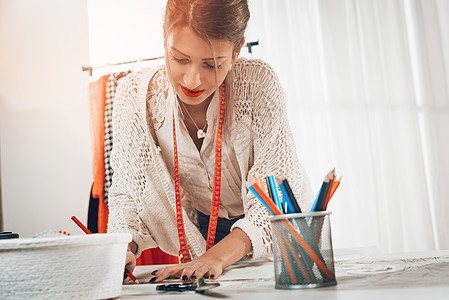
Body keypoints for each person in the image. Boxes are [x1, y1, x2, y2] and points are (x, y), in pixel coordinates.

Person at [108, 0, 314, 283]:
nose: (193, 79)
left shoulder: (256, 83)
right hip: (201, 235)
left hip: (275, 235)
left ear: (237, 50)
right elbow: (127, 194)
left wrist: (215, 257)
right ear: (164, 37)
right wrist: (123, 247)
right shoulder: (133, 96)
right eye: (179, 59)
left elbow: (276, 196)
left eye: (212, 64)